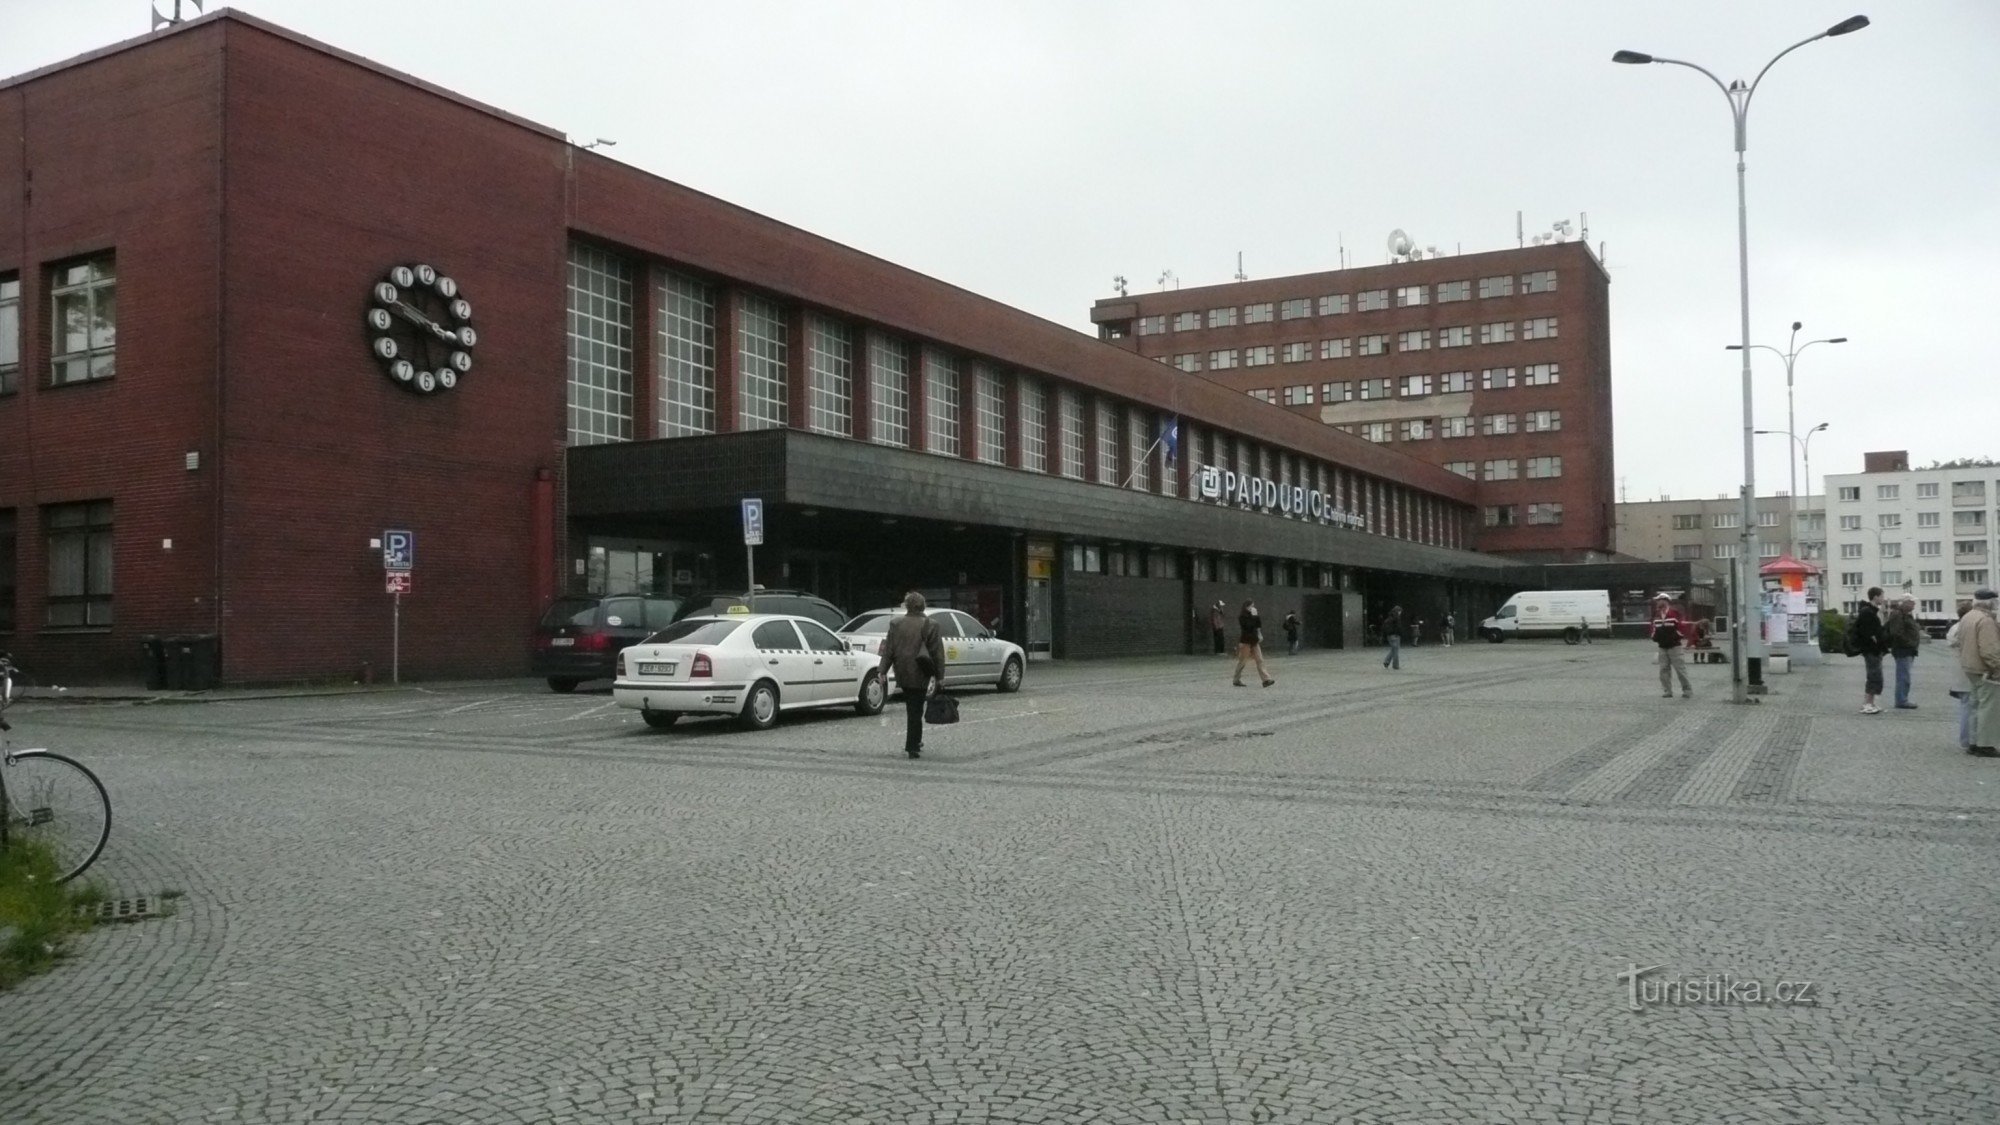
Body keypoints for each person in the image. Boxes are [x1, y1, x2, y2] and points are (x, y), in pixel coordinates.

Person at [877, 591, 946, 760]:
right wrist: (940, 676)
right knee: (916, 709)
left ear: (907, 606)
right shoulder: (932, 625)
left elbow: (889, 650)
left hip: (902, 671)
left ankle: (916, 741)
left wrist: (882, 671)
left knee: (912, 707)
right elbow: (937, 653)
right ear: (923, 605)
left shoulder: (896, 623)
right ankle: (912, 745)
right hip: (921, 670)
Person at [1959, 586, 2000, 757]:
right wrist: (1998, 667)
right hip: (1985, 669)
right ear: (1990, 602)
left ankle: (1973, 742)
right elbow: (1989, 650)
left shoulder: (1968, 617)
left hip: (1970, 667)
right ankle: (1986, 744)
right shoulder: (1985, 620)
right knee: (1988, 708)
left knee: (1975, 706)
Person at [1852, 586, 1889, 715]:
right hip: (1871, 650)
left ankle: (1871, 703)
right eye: (1882, 596)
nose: (1883, 599)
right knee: (1873, 675)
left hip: (1875, 649)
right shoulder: (1867, 612)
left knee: (1876, 676)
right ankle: (1867, 703)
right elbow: (1868, 631)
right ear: (1875, 596)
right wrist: (1875, 640)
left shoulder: (1873, 611)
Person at [1884, 594, 1924, 710]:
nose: (1914, 604)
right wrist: (1909, 642)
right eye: (1912, 602)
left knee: (1904, 675)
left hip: (1907, 649)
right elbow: (1896, 632)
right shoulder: (1898, 614)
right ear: (1904, 603)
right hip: (1903, 649)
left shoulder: (1905, 614)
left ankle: (1902, 699)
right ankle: (1901, 700)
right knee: (1903, 676)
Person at [1947, 599, 1976, 751]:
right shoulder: (1965, 628)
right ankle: (1969, 740)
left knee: (1966, 706)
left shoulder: (1954, 628)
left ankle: (1967, 739)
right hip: (1967, 672)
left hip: (1960, 673)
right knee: (1969, 707)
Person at [1651, 595, 1691, 699]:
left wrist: (1675, 637)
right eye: (1658, 600)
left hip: (1675, 647)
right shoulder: (1656, 615)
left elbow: (1682, 628)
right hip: (1662, 647)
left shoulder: (1675, 614)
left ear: (1666, 601)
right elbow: (1653, 628)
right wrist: (1654, 637)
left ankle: (1687, 690)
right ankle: (1667, 691)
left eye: (1660, 600)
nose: (1659, 602)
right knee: (1663, 670)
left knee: (1680, 669)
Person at [1233, 599, 1274, 687]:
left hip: (1254, 641)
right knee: (1242, 661)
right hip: (1246, 641)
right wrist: (1254, 616)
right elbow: (1248, 626)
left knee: (1260, 660)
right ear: (1247, 607)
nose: (1253, 608)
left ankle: (1266, 679)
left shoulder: (1254, 615)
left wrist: (1259, 633)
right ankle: (1236, 679)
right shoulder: (1242, 617)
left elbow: (1258, 625)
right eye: (1251, 606)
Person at [1381, 606, 1405, 670]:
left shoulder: (1389, 618)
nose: (1400, 613)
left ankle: (1386, 662)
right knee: (1396, 651)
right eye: (1400, 611)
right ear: (1398, 611)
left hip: (1389, 636)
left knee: (1393, 649)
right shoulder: (1396, 618)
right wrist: (1401, 633)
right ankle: (1395, 666)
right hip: (1395, 636)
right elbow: (1398, 627)